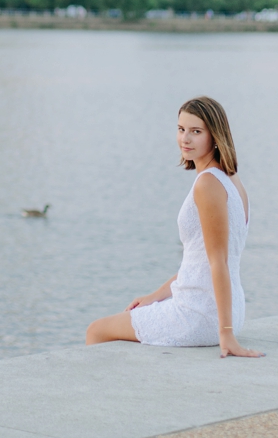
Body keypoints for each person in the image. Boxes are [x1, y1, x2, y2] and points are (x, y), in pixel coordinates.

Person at [85, 96, 263, 358]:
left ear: (215, 136)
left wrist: (225, 334)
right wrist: (155, 296)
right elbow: (199, 261)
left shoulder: (208, 184)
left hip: (200, 314)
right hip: (226, 310)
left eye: (196, 131)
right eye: (181, 129)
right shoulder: (233, 181)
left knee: (97, 331)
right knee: (128, 319)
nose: (185, 139)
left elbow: (218, 262)